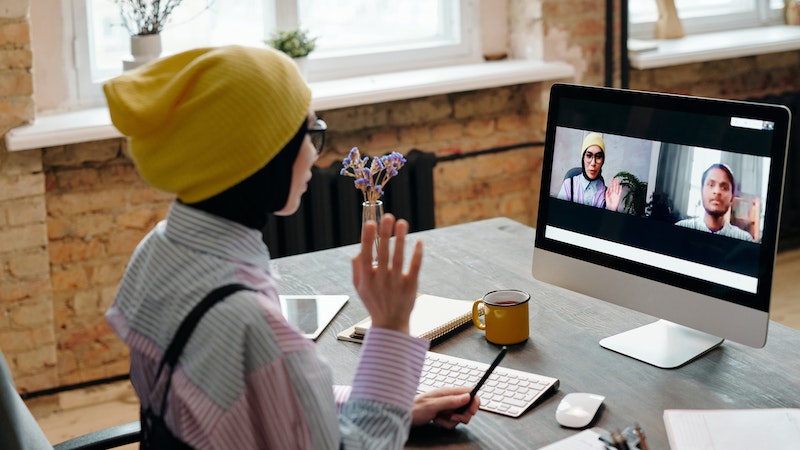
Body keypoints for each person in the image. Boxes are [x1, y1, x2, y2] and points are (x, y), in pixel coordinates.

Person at [103, 45, 478, 449]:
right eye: (309, 133)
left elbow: (251, 406)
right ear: (262, 154)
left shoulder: (156, 251)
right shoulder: (251, 325)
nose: (317, 155)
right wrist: (390, 326)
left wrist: (383, 400)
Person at [675, 163, 754, 241]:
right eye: (711, 185)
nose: (717, 191)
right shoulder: (680, 229)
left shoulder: (744, 239)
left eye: (724, 187)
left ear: (732, 198)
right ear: (701, 191)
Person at [557, 132, 622, 211]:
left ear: (602, 161)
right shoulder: (569, 185)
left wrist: (612, 210)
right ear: (583, 158)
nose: (593, 163)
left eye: (598, 157)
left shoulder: (607, 195)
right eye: (589, 155)